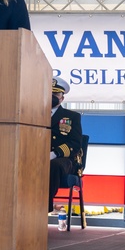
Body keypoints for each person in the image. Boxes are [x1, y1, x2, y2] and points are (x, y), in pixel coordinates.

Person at [48, 77, 83, 212]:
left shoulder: (71, 116)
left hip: (64, 160)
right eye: (49, 93)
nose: (52, 97)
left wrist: (55, 153)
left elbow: (75, 143)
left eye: (56, 94)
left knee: (53, 166)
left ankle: (44, 206)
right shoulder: (33, 113)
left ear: (62, 98)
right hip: (37, 154)